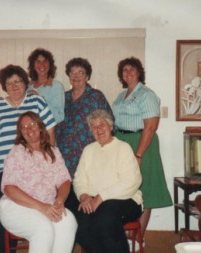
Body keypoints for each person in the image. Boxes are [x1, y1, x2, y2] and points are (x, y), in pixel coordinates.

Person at [0, 64, 56, 253]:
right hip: (2, 168)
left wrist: (51, 156)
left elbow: (49, 130)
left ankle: (40, 245)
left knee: (35, 209)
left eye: (18, 81)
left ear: (25, 83)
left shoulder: (37, 103)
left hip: (33, 168)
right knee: (6, 212)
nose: (14, 86)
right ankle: (7, 250)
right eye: (9, 83)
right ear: (4, 87)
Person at [0, 111, 77, 253]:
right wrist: (42, 207)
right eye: (24, 127)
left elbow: (65, 181)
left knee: (69, 221)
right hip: (16, 206)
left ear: (40, 127)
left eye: (32, 124)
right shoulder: (17, 152)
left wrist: (59, 202)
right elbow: (9, 188)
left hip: (46, 205)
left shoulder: (54, 152)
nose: (29, 129)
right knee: (43, 228)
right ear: (21, 133)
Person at [112, 57, 172, 241]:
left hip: (142, 142)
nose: (128, 73)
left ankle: (139, 236)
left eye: (132, 69)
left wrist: (139, 154)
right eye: (124, 70)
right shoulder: (121, 95)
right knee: (124, 186)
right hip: (122, 141)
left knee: (145, 188)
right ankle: (126, 230)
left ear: (139, 73)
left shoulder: (147, 95)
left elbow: (151, 127)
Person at [73, 109, 142, 253]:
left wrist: (102, 196)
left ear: (110, 126)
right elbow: (79, 179)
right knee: (78, 226)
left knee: (104, 220)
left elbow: (132, 181)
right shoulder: (88, 150)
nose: (98, 129)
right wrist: (83, 195)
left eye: (102, 125)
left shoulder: (123, 148)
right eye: (94, 126)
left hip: (126, 199)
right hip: (93, 200)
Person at [55, 57, 112, 214]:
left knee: (87, 192)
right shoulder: (63, 97)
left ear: (87, 76)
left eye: (81, 73)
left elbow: (108, 124)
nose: (77, 76)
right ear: (68, 76)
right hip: (65, 156)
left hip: (88, 154)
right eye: (73, 72)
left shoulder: (95, 96)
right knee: (68, 196)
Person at [27, 48, 65, 124]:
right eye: (38, 62)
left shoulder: (57, 87)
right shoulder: (27, 87)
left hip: (47, 132)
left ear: (50, 65)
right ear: (33, 65)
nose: (42, 65)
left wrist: (40, 99)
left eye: (45, 62)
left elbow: (59, 117)